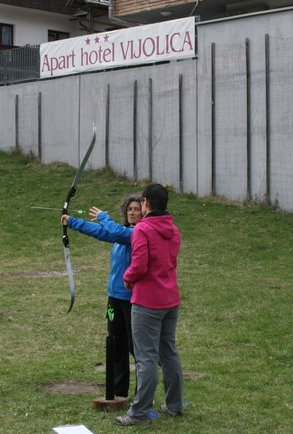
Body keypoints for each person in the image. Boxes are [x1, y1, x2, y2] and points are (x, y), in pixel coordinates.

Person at [115, 183, 184, 427]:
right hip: (170, 300)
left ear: (145, 203)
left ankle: (140, 412)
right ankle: (175, 404)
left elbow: (140, 265)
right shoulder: (173, 229)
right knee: (168, 352)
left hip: (147, 302)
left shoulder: (142, 229)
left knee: (146, 358)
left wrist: (127, 277)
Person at [61, 195, 142, 399]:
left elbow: (115, 231)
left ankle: (141, 396)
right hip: (114, 297)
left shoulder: (137, 234)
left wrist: (103, 216)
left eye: (136, 209)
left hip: (132, 299)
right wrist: (72, 221)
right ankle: (118, 391)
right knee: (116, 343)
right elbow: (100, 231)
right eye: (129, 209)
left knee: (136, 347)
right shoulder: (121, 234)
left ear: (144, 212)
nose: (132, 213)